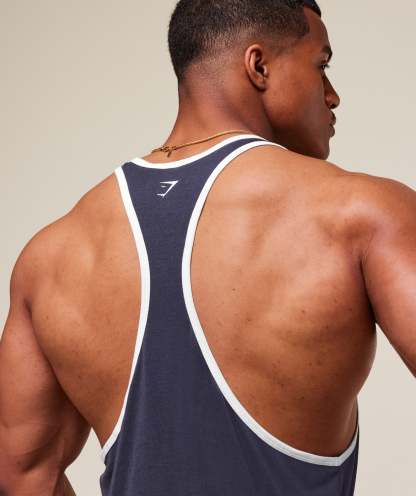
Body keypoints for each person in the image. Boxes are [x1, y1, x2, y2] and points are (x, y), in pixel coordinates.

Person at [1, 0, 415, 494]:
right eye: (320, 65)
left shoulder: (51, 256)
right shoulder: (362, 213)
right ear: (259, 66)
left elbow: (23, 474)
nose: (333, 95)